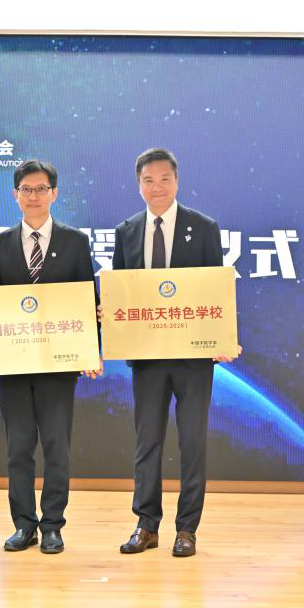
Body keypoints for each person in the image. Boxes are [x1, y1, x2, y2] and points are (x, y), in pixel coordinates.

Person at [112, 148, 240, 557]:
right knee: (146, 442)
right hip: (147, 357)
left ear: (177, 181)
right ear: (139, 186)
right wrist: (108, 313)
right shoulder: (126, 231)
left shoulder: (203, 228)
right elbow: (120, 291)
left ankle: (187, 529)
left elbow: (215, 291)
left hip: (192, 359)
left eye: (164, 179)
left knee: (192, 442)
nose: (157, 187)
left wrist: (222, 338)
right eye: (149, 180)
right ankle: (146, 525)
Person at [0, 159, 100, 554]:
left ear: (54, 193)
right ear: (15, 195)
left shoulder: (75, 241)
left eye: (41, 189)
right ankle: (23, 525)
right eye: (26, 189)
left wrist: (91, 351)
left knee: (56, 447)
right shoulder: (0, 243)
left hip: (59, 363)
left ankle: (52, 525)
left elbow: (86, 298)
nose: (33, 196)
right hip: (14, 364)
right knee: (17, 448)